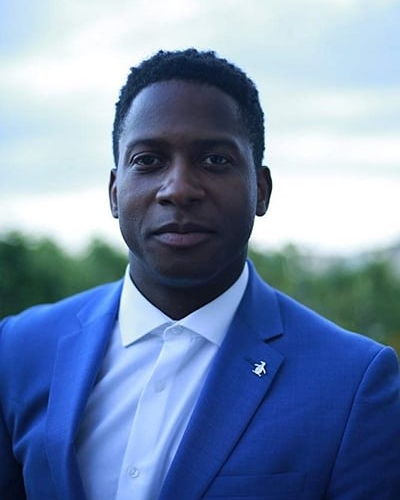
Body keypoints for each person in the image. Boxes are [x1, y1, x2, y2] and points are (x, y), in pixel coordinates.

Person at [0, 49, 399, 500]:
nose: (178, 189)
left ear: (261, 190)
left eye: (214, 160)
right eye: (148, 160)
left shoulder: (352, 384)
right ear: (114, 193)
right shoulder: (18, 350)